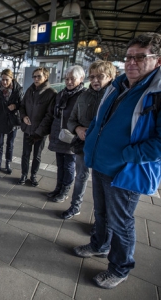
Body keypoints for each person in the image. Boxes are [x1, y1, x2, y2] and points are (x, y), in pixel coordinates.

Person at [74, 33, 161, 289]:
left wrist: (125, 156)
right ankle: (99, 245)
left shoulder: (156, 92)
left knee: (121, 223)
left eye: (140, 57)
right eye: (129, 56)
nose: (131, 62)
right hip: (101, 163)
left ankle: (120, 267)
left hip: (125, 170)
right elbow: (102, 121)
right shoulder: (120, 84)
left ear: (157, 60)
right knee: (100, 213)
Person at [63, 61, 116, 219]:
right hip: (84, 145)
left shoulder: (115, 96)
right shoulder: (83, 95)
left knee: (104, 184)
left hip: (105, 148)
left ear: (111, 77)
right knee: (80, 177)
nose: (95, 80)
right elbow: (71, 119)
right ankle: (75, 207)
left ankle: (102, 220)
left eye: (100, 76)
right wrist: (78, 129)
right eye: (92, 77)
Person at [47, 65, 86, 202]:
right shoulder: (61, 94)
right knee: (60, 163)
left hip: (71, 135)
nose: (69, 82)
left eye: (72, 79)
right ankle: (58, 187)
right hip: (59, 133)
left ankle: (65, 190)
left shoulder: (83, 95)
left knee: (69, 165)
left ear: (81, 79)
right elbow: (54, 114)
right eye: (67, 78)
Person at [18, 67, 57, 186]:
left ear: (45, 77)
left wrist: (39, 131)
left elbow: (49, 115)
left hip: (40, 132)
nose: (35, 79)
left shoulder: (51, 93)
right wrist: (24, 116)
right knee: (25, 154)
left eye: (38, 76)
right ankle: (24, 174)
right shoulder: (30, 90)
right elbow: (22, 106)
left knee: (37, 155)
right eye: (34, 76)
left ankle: (33, 175)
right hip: (28, 129)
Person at [0, 68, 23, 175]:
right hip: (1, 121)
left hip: (13, 122)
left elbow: (23, 105)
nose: (4, 82)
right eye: (2, 79)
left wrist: (16, 106)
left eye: (6, 80)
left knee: (10, 144)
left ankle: (8, 163)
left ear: (12, 79)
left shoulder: (18, 89)